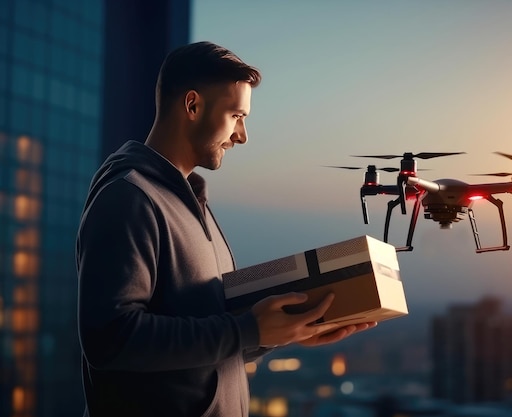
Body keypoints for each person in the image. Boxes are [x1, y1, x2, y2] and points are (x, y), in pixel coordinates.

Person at [76, 41, 375, 417]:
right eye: (236, 115)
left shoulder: (195, 205)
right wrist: (248, 330)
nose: (242, 136)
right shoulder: (129, 197)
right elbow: (111, 339)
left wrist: (286, 332)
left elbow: (209, 342)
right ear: (192, 105)